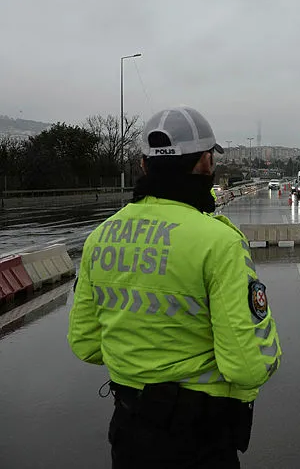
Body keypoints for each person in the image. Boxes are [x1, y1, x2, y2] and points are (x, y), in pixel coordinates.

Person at [68, 106, 281, 469]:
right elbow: (248, 366)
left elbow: (86, 344)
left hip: (128, 433)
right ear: (204, 164)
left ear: (143, 167)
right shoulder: (218, 241)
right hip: (199, 439)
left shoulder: (101, 237)